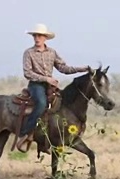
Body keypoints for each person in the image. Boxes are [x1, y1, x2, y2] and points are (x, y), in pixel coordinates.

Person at [16, 23, 90, 152]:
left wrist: (82, 69)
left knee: (61, 106)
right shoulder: (28, 53)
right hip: (36, 85)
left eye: (39, 36)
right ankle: (26, 133)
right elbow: (28, 73)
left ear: (45, 38)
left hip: (50, 86)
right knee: (41, 103)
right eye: (35, 36)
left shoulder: (52, 52)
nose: (37, 38)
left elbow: (63, 68)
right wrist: (46, 78)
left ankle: (49, 138)